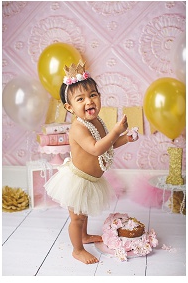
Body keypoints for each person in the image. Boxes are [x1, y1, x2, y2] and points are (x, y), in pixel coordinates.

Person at [44, 61, 137, 264]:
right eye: (80, 99)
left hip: (91, 180)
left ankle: (84, 237)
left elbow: (108, 145)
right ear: (69, 107)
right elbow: (96, 148)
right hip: (78, 179)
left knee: (83, 213)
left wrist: (125, 138)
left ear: (99, 97)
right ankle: (77, 249)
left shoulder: (97, 122)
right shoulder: (78, 128)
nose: (89, 101)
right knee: (76, 217)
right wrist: (115, 132)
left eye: (93, 95)